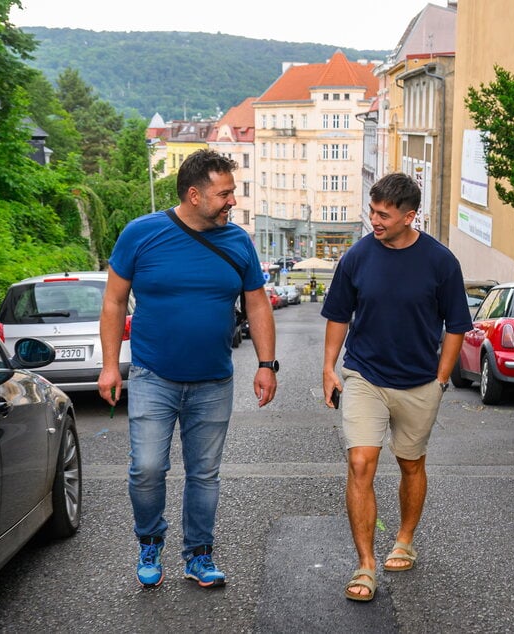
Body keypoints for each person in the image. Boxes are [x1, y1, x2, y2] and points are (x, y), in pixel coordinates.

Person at [98, 149, 278, 589]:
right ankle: (149, 540)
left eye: (232, 192)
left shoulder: (238, 242)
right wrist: (109, 367)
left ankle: (199, 554)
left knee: (204, 473)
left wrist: (266, 363)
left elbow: (256, 302)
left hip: (214, 379)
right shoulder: (142, 234)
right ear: (194, 195)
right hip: (152, 375)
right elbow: (114, 300)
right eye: (225, 193)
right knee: (146, 469)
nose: (232, 201)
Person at [320, 172, 472, 602]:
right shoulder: (357, 257)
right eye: (372, 211)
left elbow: (457, 326)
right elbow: (338, 315)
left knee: (410, 465)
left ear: (410, 216)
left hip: (420, 382)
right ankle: (365, 564)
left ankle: (404, 538)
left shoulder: (441, 262)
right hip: (364, 375)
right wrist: (329, 368)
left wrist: (441, 380)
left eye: (384, 214)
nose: (374, 220)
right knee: (361, 463)